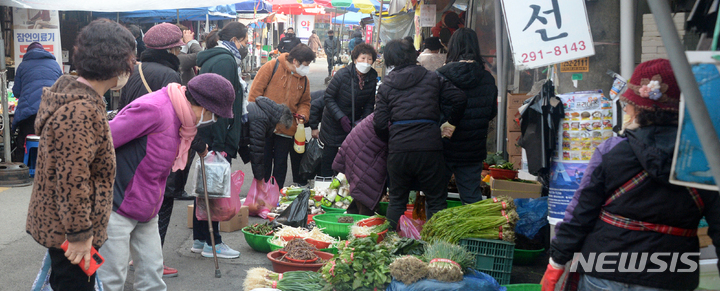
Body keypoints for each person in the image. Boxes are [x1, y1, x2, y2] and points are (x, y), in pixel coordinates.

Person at [542, 59, 720, 291]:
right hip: (671, 274)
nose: (625, 109)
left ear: (637, 109)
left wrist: (557, 261)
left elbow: (581, 211)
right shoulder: (704, 161)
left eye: (627, 104)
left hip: (604, 269)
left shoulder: (611, 151)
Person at [25, 19, 135, 291]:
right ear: (117, 62)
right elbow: (73, 181)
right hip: (71, 234)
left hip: (69, 230)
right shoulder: (80, 111)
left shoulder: (81, 101)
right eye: (131, 58)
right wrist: (80, 235)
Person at [99, 74, 235, 291]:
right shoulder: (155, 109)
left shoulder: (183, 121)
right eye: (214, 115)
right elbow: (102, 140)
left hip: (148, 204)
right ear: (202, 105)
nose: (213, 121)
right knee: (110, 280)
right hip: (117, 204)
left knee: (152, 277)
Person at [374, 39, 466, 231]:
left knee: (397, 201)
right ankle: (435, 248)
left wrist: (392, 140)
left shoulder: (385, 85)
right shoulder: (432, 77)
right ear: (413, 54)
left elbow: (380, 124)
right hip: (430, 147)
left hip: (399, 149)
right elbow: (459, 98)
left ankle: (388, 244)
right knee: (436, 200)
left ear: (390, 59)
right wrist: (450, 123)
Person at [191, 21, 248, 259]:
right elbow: (222, 103)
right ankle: (213, 242)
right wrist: (223, 142)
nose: (246, 46)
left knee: (206, 186)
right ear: (235, 40)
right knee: (215, 188)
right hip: (217, 133)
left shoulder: (217, 58)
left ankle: (200, 238)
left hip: (210, 130)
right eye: (244, 41)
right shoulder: (225, 60)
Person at [437, 28, 497, 204]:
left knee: (436, 196)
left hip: (444, 146)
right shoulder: (487, 78)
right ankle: (472, 232)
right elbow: (491, 112)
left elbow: (433, 109)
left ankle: (433, 231)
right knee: (471, 198)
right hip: (473, 148)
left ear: (452, 47)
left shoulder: (441, 76)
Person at [248, 44, 315, 188]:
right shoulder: (271, 67)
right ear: (295, 61)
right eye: (306, 64)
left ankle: (276, 195)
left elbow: (305, 102)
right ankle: (261, 194)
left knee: (280, 163)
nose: (307, 68)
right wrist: (256, 119)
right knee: (263, 162)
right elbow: (254, 94)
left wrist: (303, 115)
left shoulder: (304, 80)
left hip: (287, 127)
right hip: (265, 127)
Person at [319, 43, 378, 177]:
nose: (366, 62)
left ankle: (344, 189)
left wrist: (364, 120)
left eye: (369, 59)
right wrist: (341, 117)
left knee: (350, 159)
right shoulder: (342, 74)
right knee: (330, 158)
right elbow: (328, 97)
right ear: (355, 59)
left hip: (353, 125)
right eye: (363, 58)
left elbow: (370, 102)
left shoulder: (372, 77)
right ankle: (325, 183)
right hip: (333, 123)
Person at [163, 24, 204, 205]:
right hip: (182, 109)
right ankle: (174, 189)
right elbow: (200, 56)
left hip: (182, 107)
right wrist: (191, 42)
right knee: (182, 151)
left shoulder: (178, 56)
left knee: (183, 151)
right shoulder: (178, 58)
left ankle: (177, 188)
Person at [11, 42, 62, 163]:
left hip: (29, 115)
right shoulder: (55, 64)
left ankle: (22, 168)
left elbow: (17, 92)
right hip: (52, 112)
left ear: (28, 52)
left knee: (23, 140)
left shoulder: (23, 66)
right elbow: (62, 88)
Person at [333, 113, 388, 216]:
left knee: (363, 192)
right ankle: (362, 227)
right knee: (366, 193)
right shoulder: (396, 111)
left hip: (359, 147)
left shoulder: (391, 104)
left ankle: (354, 219)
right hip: (363, 152)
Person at [245, 96, 294, 181]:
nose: (277, 129)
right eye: (280, 127)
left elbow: (242, 142)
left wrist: (246, 156)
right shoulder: (261, 120)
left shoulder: (262, 112)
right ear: (280, 121)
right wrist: (260, 179)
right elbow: (256, 152)